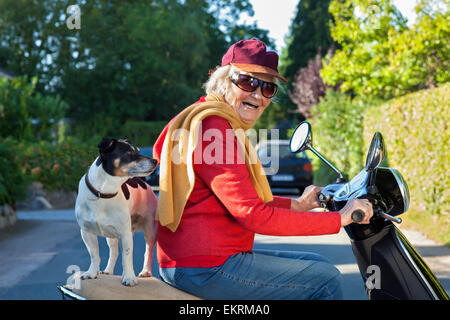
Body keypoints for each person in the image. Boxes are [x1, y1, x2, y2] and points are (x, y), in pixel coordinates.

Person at [152, 38, 373, 300]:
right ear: (223, 81)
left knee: (314, 261)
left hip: (201, 259)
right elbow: (252, 214)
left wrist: (299, 204)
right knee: (325, 279)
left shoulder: (216, 121)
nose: (258, 95)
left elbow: (247, 200)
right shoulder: (215, 128)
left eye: (268, 88)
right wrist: (342, 218)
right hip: (204, 266)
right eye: (247, 82)